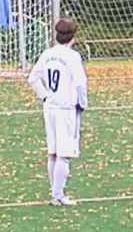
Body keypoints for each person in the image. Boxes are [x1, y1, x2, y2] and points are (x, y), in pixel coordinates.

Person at [27, 19, 88, 207]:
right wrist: (83, 104)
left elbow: (33, 78)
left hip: (50, 107)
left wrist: (44, 96)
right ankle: (58, 195)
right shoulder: (72, 57)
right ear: (73, 37)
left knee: (53, 152)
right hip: (65, 108)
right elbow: (80, 83)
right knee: (64, 153)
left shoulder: (48, 54)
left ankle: (55, 192)